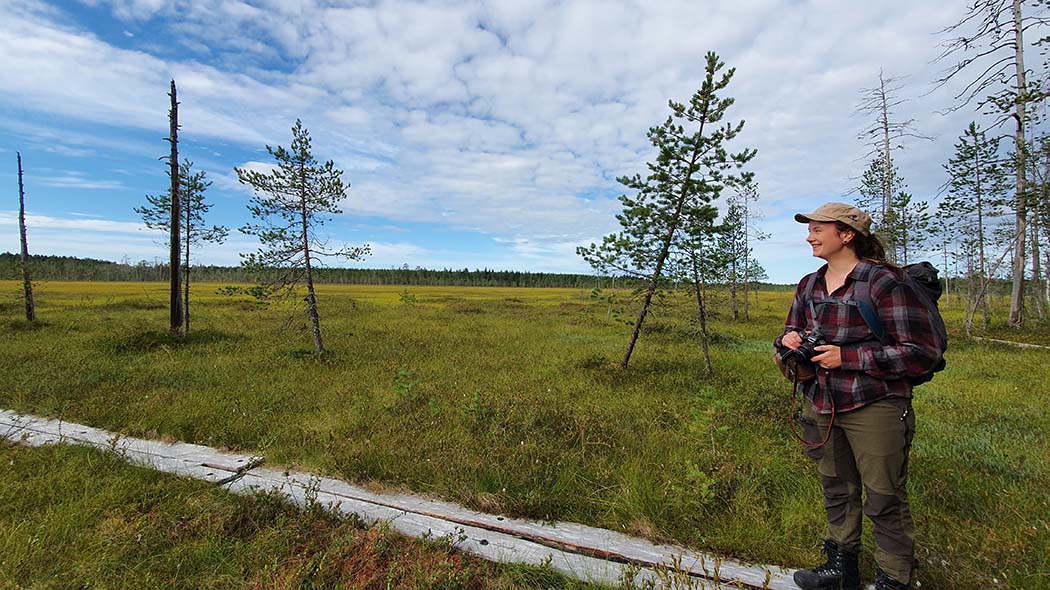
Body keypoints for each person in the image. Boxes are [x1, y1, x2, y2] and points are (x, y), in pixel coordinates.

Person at [774, 203, 942, 590]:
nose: (809, 236)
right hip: (821, 404)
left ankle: (893, 579)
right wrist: (788, 342)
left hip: (875, 405)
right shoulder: (809, 284)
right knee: (836, 487)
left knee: (884, 495)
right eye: (810, 229)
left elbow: (921, 351)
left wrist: (846, 357)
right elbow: (789, 333)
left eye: (819, 229)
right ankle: (840, 569)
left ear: (847, 235)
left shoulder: (884, 282)